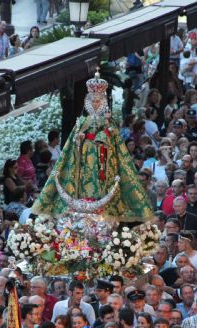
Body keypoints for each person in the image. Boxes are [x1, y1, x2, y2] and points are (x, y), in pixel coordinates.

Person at [31, 71, 154, 222]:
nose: (96, 104)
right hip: (83, 162)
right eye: (93, 101)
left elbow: (115, 144)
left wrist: (103, 137)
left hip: (104, 161)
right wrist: (78, 140)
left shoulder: (109, 123)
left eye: (99, 101)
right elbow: (70, 147)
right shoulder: (82, 122)